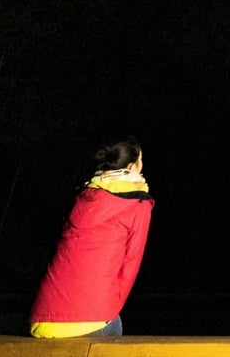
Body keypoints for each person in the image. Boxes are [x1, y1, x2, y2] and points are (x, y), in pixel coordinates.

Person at [29, 137, 155, 339]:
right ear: (132, 166)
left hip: (43, 317)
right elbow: (131, 264)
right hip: (89, 318)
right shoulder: (136, 203)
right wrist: (108, 308)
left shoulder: (83, 195)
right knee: (115, 327)